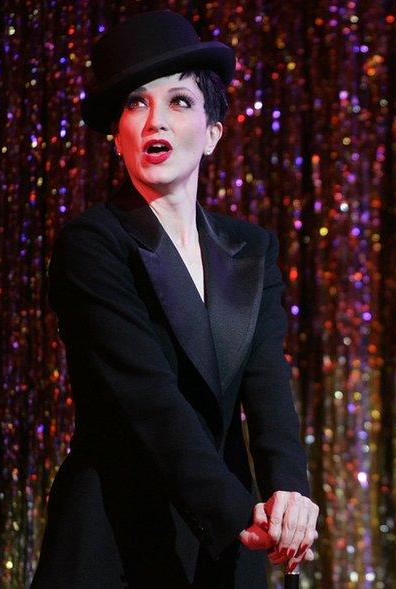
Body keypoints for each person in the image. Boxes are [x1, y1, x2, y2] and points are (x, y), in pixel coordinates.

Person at [32, 11, 317, 587]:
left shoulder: (250, 248)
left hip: (228, 545)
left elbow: (267, 389)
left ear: (213, 131)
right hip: (118, 533)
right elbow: (149, 402)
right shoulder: (94, 243)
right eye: (136, 104)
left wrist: (291, 493)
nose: (154, 120)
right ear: (117, 136)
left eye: (180, 101)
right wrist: (245, 518)